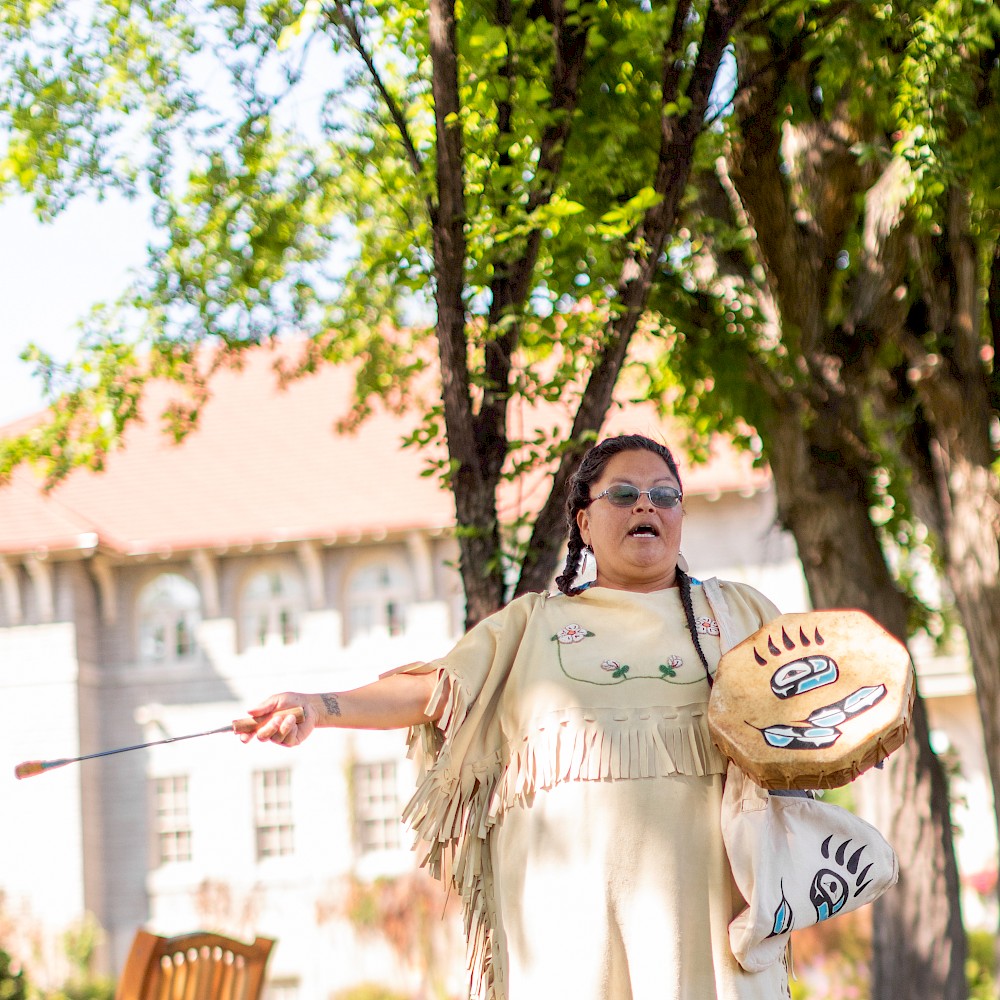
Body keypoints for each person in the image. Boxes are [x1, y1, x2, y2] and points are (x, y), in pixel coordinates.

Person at [243, 434, 792, 1000]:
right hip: (570, 939)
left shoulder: (739, 614)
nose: (645, 505)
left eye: (664, 495)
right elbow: (433, 691)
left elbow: (826, 707)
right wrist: (317, 708)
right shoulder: (530, 626)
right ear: (583, 522)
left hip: (709, 931)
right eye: (623, 493)